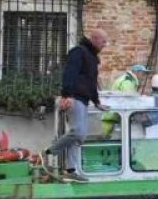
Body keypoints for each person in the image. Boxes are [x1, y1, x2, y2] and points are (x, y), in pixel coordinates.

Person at [45, 29, 111, 181]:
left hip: (84, 99)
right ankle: (48, 152)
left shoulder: (92, 58)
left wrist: (97, 102)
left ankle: (71, 169)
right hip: (74, 98)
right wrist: (66, 95)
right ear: (95, 39)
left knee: (79, 138)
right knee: (78, 132)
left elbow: (91, 83)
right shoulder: (78, 52)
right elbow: (69, 73)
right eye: (103, 42)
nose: (105, 45)